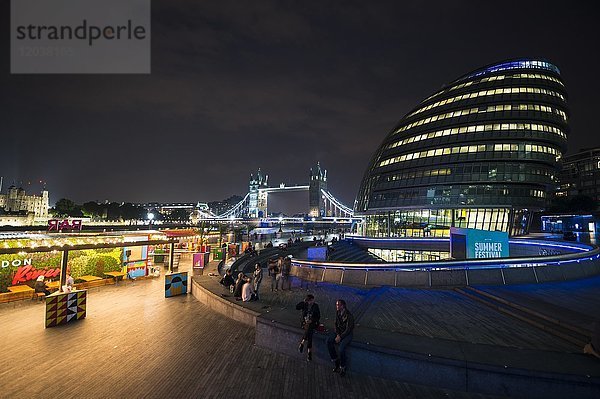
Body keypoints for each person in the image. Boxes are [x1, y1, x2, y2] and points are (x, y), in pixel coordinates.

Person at [327, 299, 355, 377]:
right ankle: (336, 360)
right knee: (328, 341)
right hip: (339, 332)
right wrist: (337, 334)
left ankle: (343, 367)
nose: (337, 306)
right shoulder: (338, 312)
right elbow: (335, 324)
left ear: (343, 306)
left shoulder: (349, 316)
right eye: (336, 305)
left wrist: (341, 336)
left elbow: (348, 329)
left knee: (341, 349)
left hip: (347, 334)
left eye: (338, 305)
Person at [296, 294, 320, 361]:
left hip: (312, 323)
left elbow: (318, 316)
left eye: (313, 300)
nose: (313, 301)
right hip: (305, 323)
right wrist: (303, 302)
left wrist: (311, 320)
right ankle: (309, 352)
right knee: (310, 332)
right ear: (308, 300)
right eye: (311, 300)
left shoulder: (315, 306)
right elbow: (297, 307)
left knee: (309, 327)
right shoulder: (304, 304)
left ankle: (302, 343)